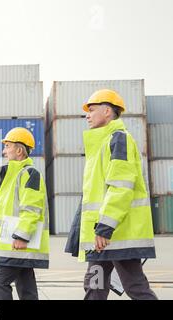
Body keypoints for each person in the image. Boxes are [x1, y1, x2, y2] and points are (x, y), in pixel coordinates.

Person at [80, 89, 157, 300]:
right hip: (102, 236)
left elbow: (120, 187)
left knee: (135, 287)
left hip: (117, 233)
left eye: (92, 110)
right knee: (94, 286)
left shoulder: (118, 140)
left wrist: (106, 226)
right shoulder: (100, 145)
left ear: (107, 111)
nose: (87, 115)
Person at [0, 127, 49, 300]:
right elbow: (15, 208)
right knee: (26, 288)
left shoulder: (29, 174)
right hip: (13, 243)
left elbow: (32, 208)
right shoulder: (12, 175)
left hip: (16, 243)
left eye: (8, 146)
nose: (4, 151)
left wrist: (22, 236)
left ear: (19, 150)